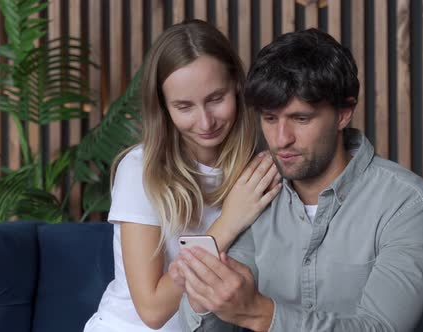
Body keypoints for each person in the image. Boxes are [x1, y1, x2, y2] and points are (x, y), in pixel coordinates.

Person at [171, 28, 423, 332]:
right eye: (270, 118)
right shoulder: (255, 194)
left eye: (301, 119)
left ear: (344, 113)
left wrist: (258, 313)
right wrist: (205, 298)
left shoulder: (411, 206)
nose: (280, 140)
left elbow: (381, 328)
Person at [83, 19, 281, 332]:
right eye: (184, 106)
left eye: (216, 99)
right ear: (163, 108)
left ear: (237, 87)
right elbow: (151, 310)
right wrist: (230, 220)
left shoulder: (257, 166)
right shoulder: (140, 170)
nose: (205, 122)